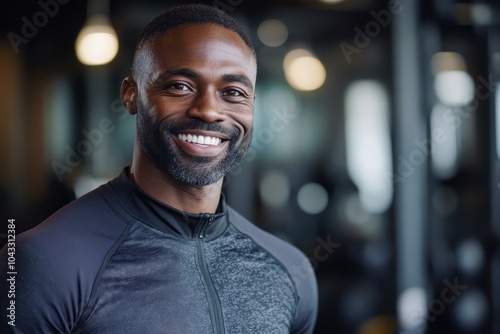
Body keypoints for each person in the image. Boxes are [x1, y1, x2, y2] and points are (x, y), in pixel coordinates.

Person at [0, 4, 318, 333]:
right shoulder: (41, 263)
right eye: (180, 86)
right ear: (131, 95)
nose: (209, 111)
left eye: (233, 92)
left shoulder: (291, 270)